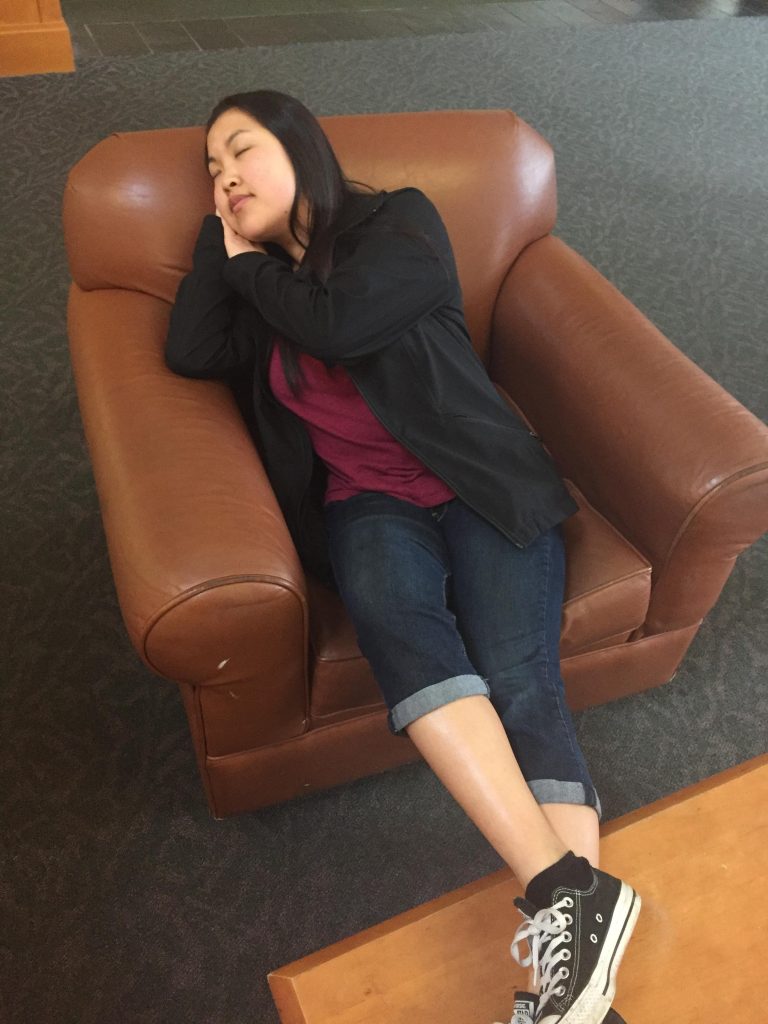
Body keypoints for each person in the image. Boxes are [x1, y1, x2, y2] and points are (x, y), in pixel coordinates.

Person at [165, 89, 641, 1024]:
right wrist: (217, 247)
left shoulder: (400, 225)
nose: (224, 178)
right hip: (367, 503)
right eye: (211, 171)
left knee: (520, 678)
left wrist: (247, 261)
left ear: (301, 146)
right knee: (404, 638)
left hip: (481, 481)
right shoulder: (257, 287)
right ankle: (573, 911)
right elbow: (189, 349)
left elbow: (341, 324)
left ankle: (572, 945)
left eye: (241, 152)